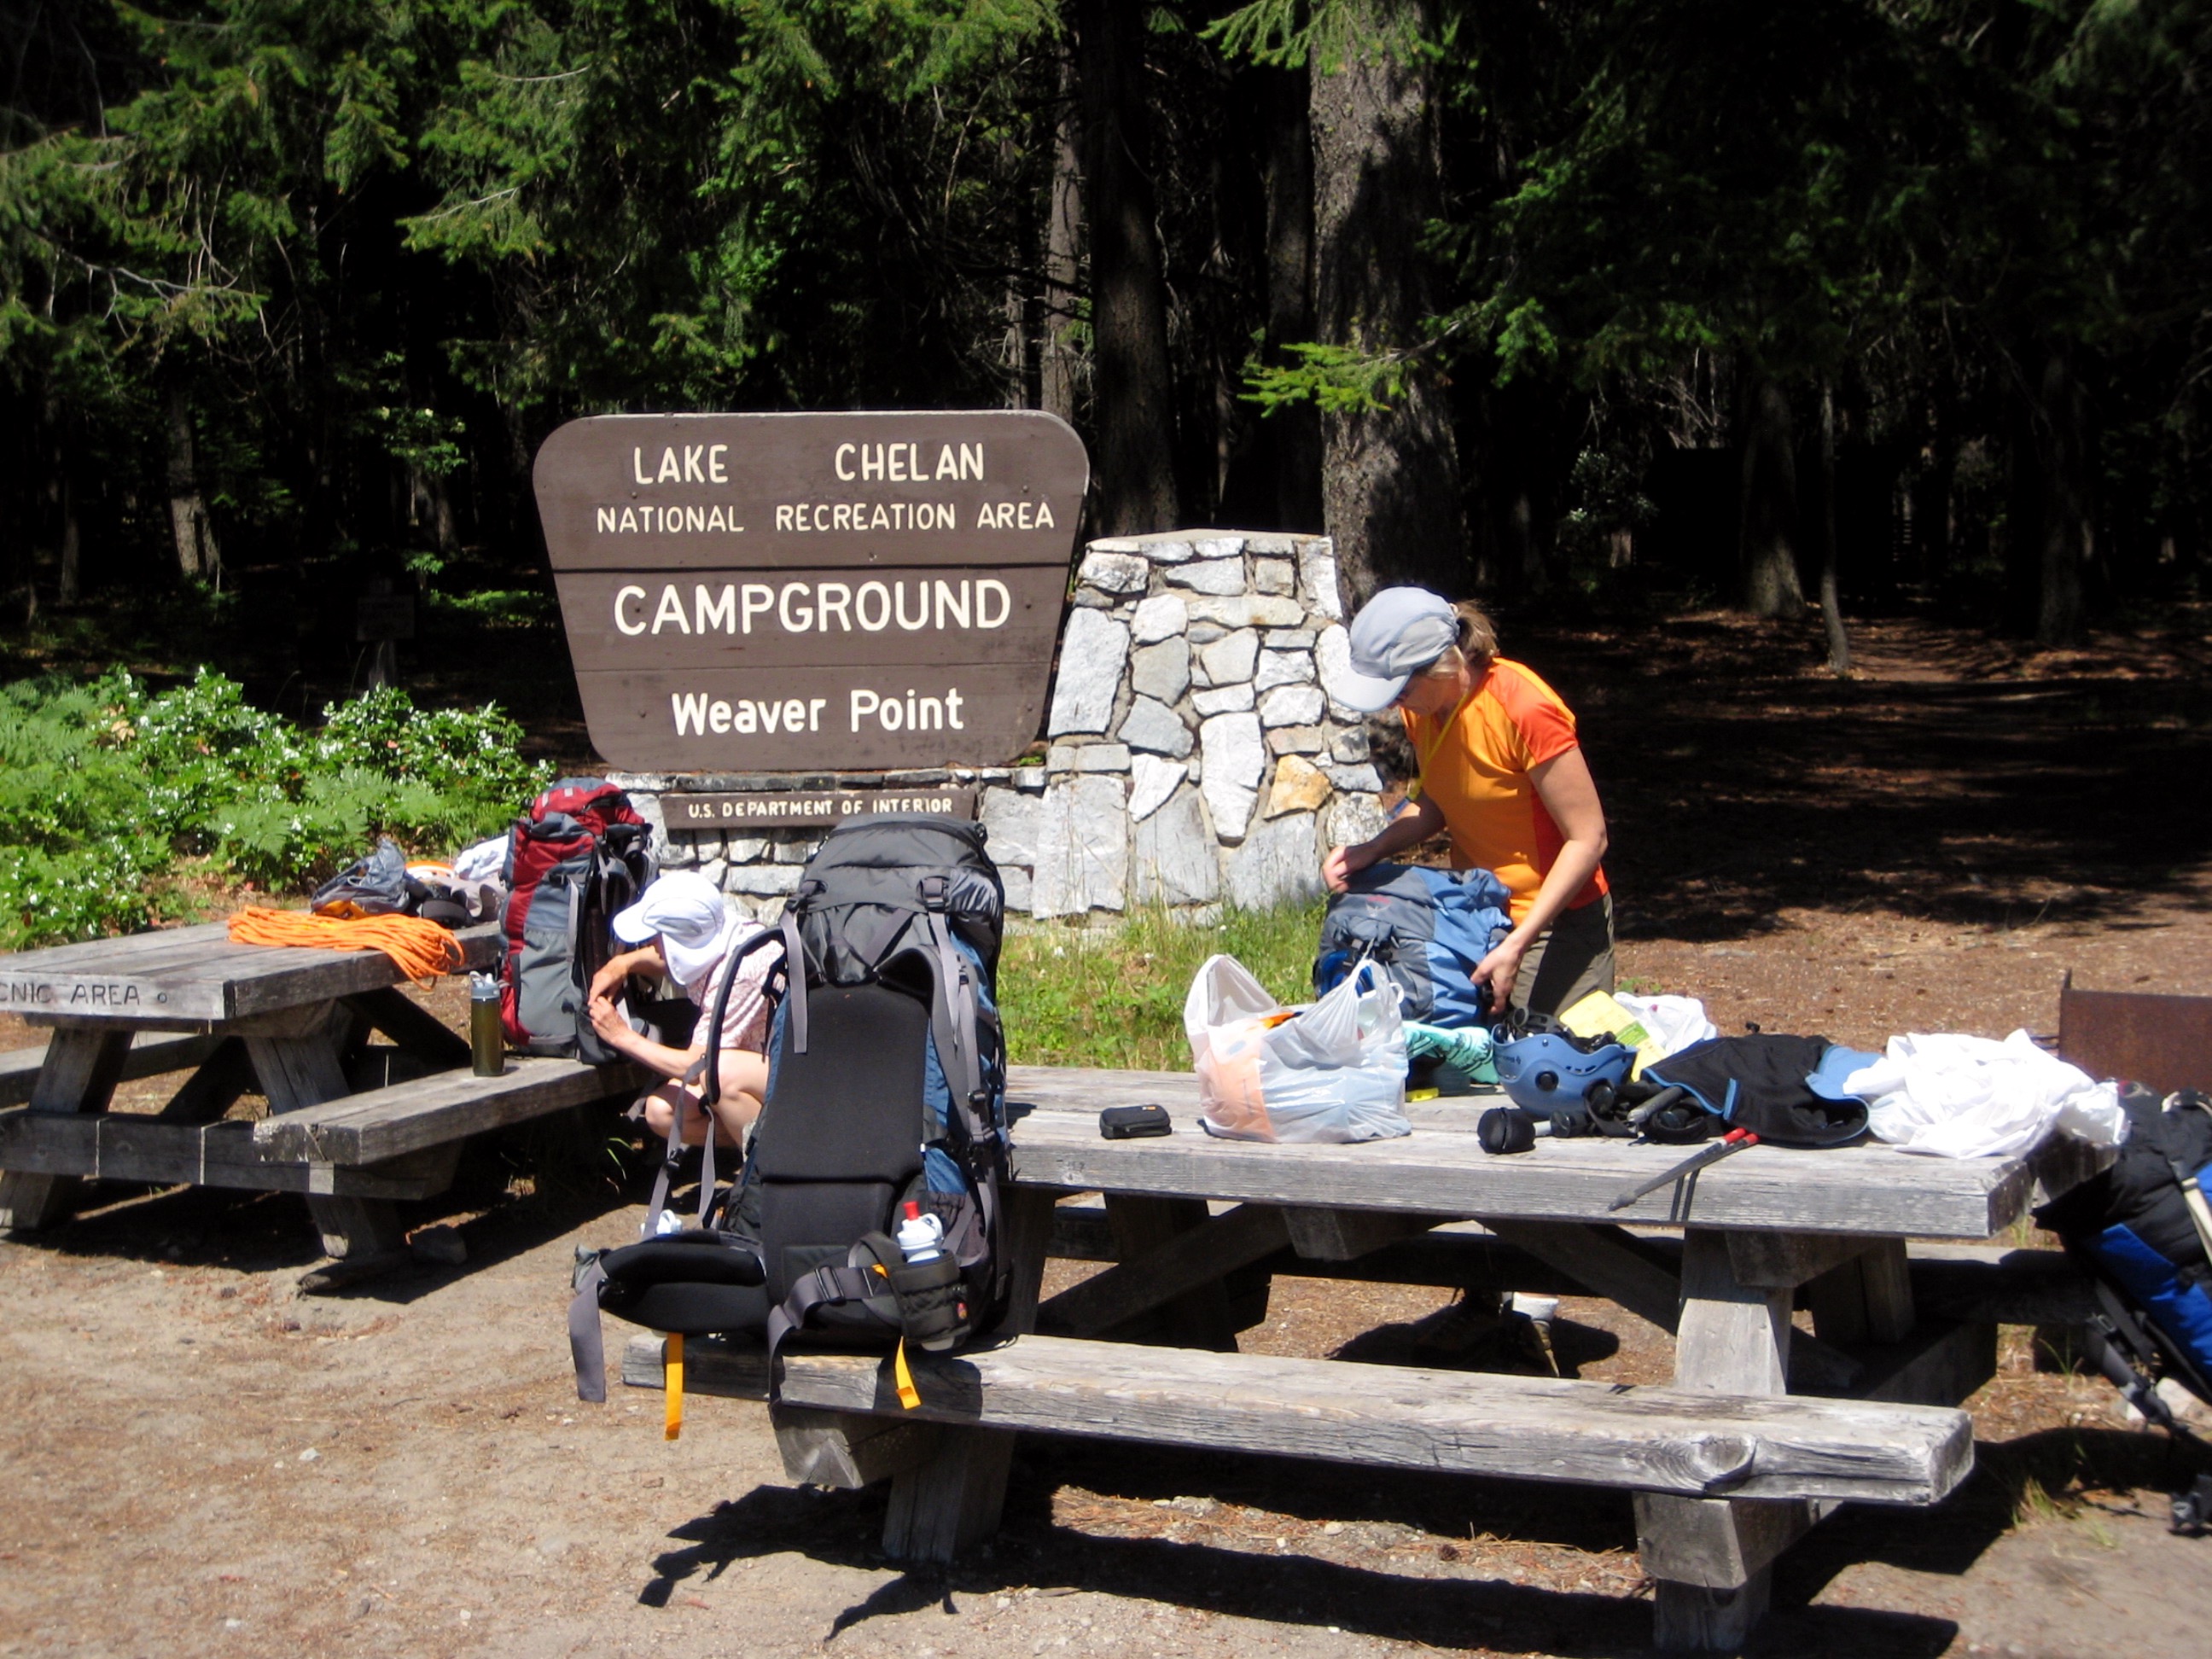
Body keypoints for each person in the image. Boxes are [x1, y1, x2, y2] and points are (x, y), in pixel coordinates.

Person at [1322, 586, 1613, 1018]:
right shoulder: (1420, 710)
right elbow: (1441, 800)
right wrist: (1373, 849)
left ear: (1440, 665)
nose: (1393, 703)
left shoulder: (1524, 707)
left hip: (1556, 921)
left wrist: (1518, 943)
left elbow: (1588, 838)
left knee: (1540, 1052)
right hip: (1477, 915)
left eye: (1399, 690)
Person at [585, 870, 784, 1150]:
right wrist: (623, 964)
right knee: (661, 1112)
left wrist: (621, 1036)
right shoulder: (721, 930)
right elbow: (671, 957)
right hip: (756, 1065)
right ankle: (743, 1141)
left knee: (719, 1073)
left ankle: (770, 1158)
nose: (649, 945)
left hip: (790, 1077)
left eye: (655, 937)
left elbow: (695, 1064)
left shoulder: (740, 974)